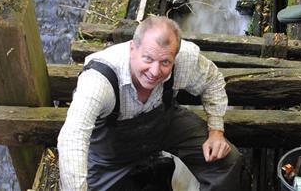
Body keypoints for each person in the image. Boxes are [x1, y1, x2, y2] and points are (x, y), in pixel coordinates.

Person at [57, 15, 246, 190]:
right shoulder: (99, 81)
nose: (155, 72)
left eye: (165, 62)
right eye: (148, 59)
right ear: (133, 49)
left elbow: (213, 81)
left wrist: (216, 131)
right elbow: (73, 137)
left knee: (227, 161)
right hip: (112, 151)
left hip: (164, 124)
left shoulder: (184, 57)